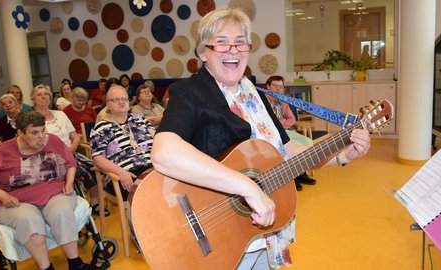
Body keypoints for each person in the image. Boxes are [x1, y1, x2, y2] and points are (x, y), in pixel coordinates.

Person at [151, 7, 371, 269]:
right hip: (221, 238)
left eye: (240, 42)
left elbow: (288, 153)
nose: (233, 50)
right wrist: (248, 187)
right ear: (203, 53)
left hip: (265, 234)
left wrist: (342, 156)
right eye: (221, 43)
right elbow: (164, 153)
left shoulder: (254, 93)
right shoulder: (190, 92)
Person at [0, 110, 93, 270]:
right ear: (20, 133)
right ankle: (46, 268)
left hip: (54, 194)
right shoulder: (3, 151)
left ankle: (75, 263)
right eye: (34, 133)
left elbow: (71, 163)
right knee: (28, 220)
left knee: (61, 212)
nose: (41, 136)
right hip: (15, 202)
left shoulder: (53, 141)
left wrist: (69, 182)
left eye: (43, 130)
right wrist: (2, 195)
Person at [31, 85, 105, 216]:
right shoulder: (31, 119)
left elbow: (75, 137)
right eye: (39, 94)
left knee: (91, 167)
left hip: (70, 153)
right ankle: (70, 206)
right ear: (33, 99)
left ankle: (94, 202)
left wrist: (71, 149)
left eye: (46, 94)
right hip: (48, 159)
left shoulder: (60, 114)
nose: (43, 97)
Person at [90, 85, 155, 201]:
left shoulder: (141, 120)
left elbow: (158, 140)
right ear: (108, 105)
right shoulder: (101, 128)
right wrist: (121, 173)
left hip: (153, 169)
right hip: (126, 174)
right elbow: (98, 159)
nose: (121, 102)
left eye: (124, 99)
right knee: (154, 191)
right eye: (116, 100)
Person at [264, 75, 316, 191]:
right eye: (275, 86)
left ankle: (301, 173)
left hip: (285, 131)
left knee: (307, 142)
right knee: (290, 146)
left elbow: (292, 119)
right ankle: (292, 178)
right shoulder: (262, 101)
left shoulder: (283, 101)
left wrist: (282, 123)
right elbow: (267, 122)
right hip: (271, 134)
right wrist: (280, 123)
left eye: (280, 87)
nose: (278, 89)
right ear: (268, 87)